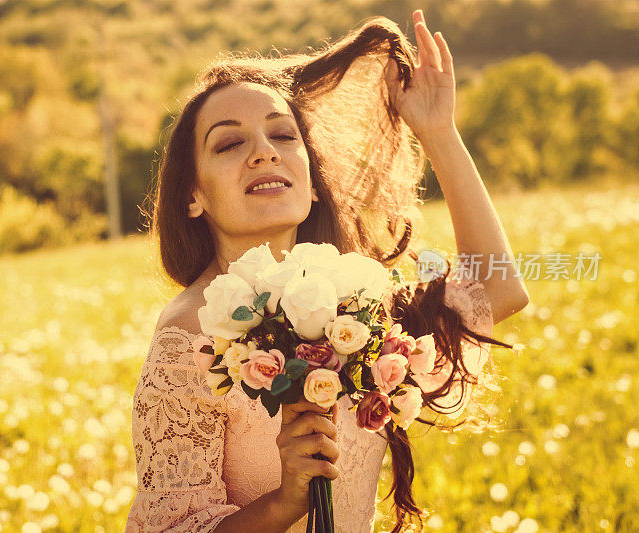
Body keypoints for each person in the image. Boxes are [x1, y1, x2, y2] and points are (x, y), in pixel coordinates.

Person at [126, 9, 529, 533]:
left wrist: (438, 131)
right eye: (229, 143)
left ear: (312, 182)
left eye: (284, 136)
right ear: (192, 196)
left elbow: (499, 287)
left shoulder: (355, 305)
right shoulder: (186, 339)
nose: (264, 152)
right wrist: (284, 501)